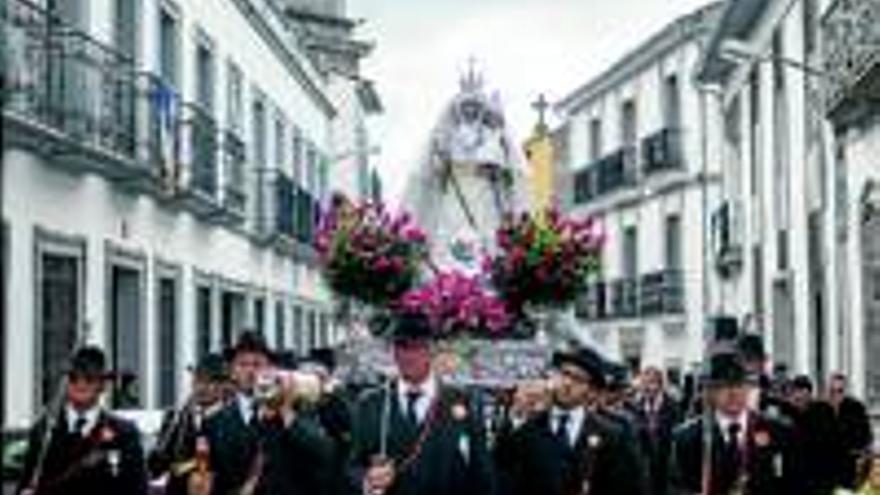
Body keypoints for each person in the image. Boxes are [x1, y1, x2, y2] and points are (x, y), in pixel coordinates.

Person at [351, 312, 494, 495]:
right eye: (402, 346)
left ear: (432, 349)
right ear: (393, 351)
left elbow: (482, 472)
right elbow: (352, 466)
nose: (408, 355)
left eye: (418, 347)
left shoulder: (463, 402)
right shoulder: (371, 403)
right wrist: (367, 480)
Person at [494, 345, 649, 495]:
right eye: (564, 374)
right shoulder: (526, 431)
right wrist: (517, 413)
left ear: (591, 390)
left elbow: (628, 487)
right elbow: (502, 474)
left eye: (578, 379)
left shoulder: (612, 435)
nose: (567, 383)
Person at [202, 331, 333, 495]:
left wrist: (286, 409)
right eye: (242, 364)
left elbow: (323, 453)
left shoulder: (296, 409)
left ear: (270, 369)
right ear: (232, 371)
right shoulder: (215, 422)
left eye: (257, 364)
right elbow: (214, 480)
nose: (250, 371)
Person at [16, 346, 148, 495]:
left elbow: (138, 489)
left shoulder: (124, 434)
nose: (80, 384)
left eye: (89, 378)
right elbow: (26, 482)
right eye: (73, 378)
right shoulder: (45, 431)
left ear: (102, 385)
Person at [669, 351, 802, 495]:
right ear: (710, 392)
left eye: (739, 385)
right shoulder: (688, 438)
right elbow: (676, 488)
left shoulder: (778, 431)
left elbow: (794, 483)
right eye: (723, 386)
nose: (733, 393)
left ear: (749, 388)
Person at [147, 352, 228, 495]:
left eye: (209, 382)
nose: (202, 387)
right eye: (198, 380)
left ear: (222, 386)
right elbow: (157, 467)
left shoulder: (232, 420)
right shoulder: (176, 418)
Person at [785, 375, 839, 495]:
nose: (798, 397)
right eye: (795, 393)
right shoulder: (788, 412)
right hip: (795, 480)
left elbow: (830, 443)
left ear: (809, 393)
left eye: (802, 392)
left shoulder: (822, 411)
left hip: (820, 477)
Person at [632, 366, 681, 495]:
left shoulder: (673, 406)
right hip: (645, 466)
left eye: (652, 382)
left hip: (667, 463)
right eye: (645, 383)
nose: (648, 387)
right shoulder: (636, 407)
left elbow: (678, 434)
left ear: (660, 384)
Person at [828, 373, 874, 489]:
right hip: (829, 470)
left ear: (846, 391)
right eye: (833, 391)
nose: (836, 395)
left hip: (850, 467)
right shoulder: (822, 409)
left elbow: (866, 437)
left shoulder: (856, 408)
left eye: (840, 391)